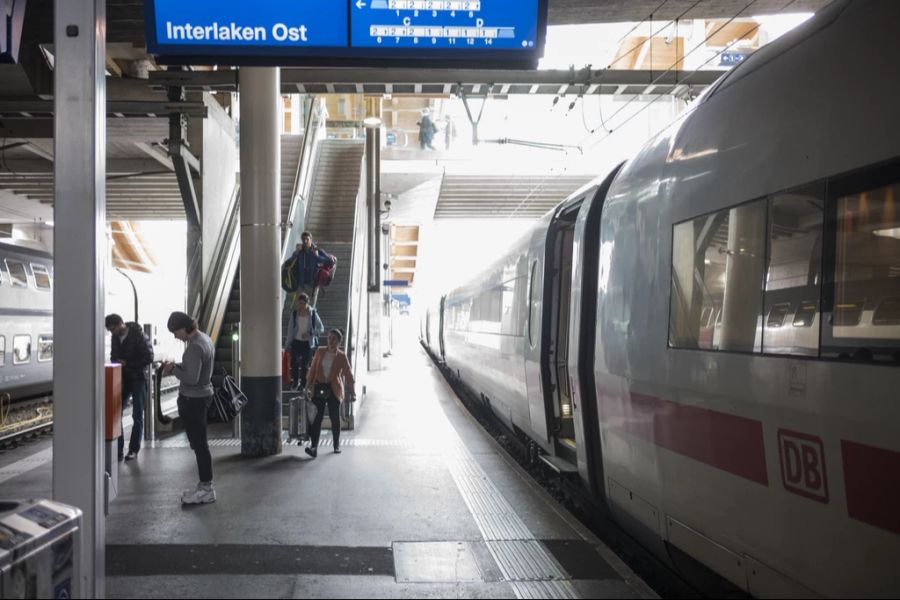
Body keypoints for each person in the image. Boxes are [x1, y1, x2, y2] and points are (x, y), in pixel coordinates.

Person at [162, 311, 217, 505]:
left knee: (200, 446)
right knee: (200, 444)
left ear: (184, 328)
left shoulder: (194, 347)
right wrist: (179, 366)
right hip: (203, 397)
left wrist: (173, 370)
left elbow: (192, 379)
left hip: (194, 400)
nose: (175, 336)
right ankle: (205, 486)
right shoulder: (206, 339)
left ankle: (206, 488)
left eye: (175, 332)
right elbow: (196, 370)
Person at [105, 314, 153, 462]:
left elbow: (149, 357)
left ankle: (133, 449)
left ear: (121, 324)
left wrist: (128, 363)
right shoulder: (115, 338)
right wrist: (116, 362)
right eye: (110, 330)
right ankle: (118, 450)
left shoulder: (138, 335)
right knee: (116, 413)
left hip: (138, 378)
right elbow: (113, 356)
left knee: (137, 415)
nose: (112, 333)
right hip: (122, 379)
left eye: (113, 329)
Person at [304, 329, 356, 457]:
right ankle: (314, 447)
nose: (331, 341)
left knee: (335, 419)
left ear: (339, 342)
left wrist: (353, 393)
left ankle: (336, 445)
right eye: (329, 338)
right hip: (319, 387)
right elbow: (312, 369)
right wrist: (307, 386)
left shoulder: (342, 356)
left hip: (334, 389)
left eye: (334, 339)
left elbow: (348, 375)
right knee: (317, 418)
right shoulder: (320, 351)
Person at [285, 292, 324, 390]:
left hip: (307, 343)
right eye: (300, 303)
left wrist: (310, 333)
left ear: (308, 303)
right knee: (294, 363)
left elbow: (321, 328)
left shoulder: (313, 314)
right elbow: (290, 329)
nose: (301, 305)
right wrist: (287, 344)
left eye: (303, 303)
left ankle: (303, 384)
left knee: (305, 365)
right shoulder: (295, 314)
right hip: (296, 341)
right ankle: (295, 382)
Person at [290, 231, 331, 307]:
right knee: (297, 308)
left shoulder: (318, 251)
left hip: (313, 285)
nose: (305, 241)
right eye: (303, 239)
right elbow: (290, 263)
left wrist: (318, 257)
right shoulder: (299, 252)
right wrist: (295, 254)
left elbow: (330, 262)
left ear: (311, 240)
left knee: (311, 309)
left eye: (307, 239)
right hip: (301, 285)